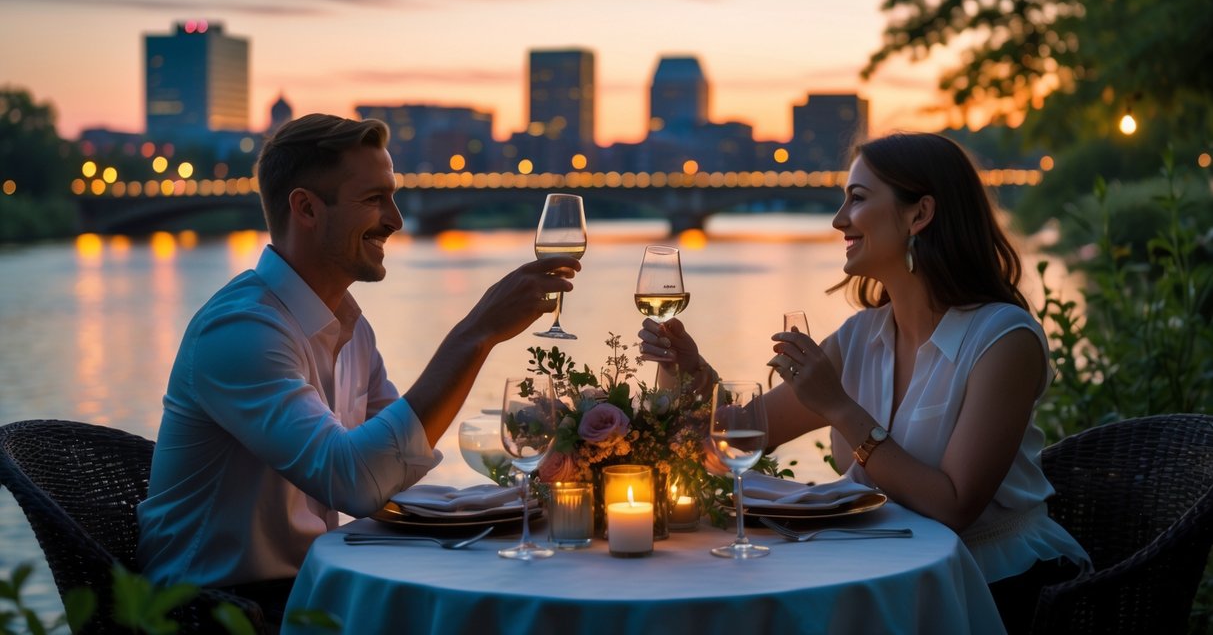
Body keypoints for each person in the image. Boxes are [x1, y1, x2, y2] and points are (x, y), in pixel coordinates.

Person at [137, 113, 579, 624]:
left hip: (305, 590)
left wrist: (532, 494)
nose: (396, 219)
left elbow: (395, 467)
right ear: (305, 208)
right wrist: (475, 333)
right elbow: (354, 480)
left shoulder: (348, 326)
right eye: (373, 200)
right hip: (214, 611)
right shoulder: (241, 331)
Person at [638, 131, 1088, 634]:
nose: (837, 220)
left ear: (919, 215)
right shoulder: (861, 336)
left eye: (857, 199)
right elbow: (732, 440)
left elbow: (953, 507)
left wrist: (838, 407)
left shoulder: (1002, 340)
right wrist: (685, 371)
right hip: (880, 571)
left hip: (997, 584)